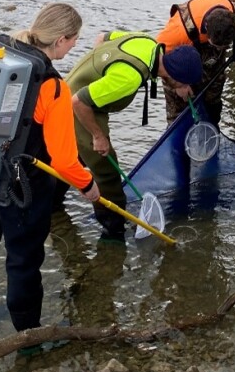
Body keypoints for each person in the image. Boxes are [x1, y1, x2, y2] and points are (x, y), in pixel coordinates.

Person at [0, 3, 101, 330]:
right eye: (74, 40)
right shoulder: (53, 86)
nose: (75, 46)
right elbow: (63, 159)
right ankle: (28, 341)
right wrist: (88, 185)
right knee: (22, 264)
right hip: (23, 188)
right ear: (61, 39)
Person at [67, 32, 202, 240]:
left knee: (75, 154)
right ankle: (113, 230)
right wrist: (97, 135)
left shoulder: (149, 44)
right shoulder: (129, 78)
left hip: (83, 97)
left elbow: (103, 37)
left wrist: (101, 78)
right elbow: (78, 102)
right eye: (185, 84)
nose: (187, 89)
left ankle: (53, 201)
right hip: (75, 106)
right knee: (107, 171)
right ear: (175, 77)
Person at [155, 0, 235, 123]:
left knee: (213, 96)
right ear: (207, 30)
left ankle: (211, 127)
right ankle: (179, 132)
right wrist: (177, 85)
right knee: (179, 104)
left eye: (224, 46)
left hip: (210, 57)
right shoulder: (178, 31)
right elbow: (156, 59)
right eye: (217, 45)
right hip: (180, 58)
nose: (220, 49)